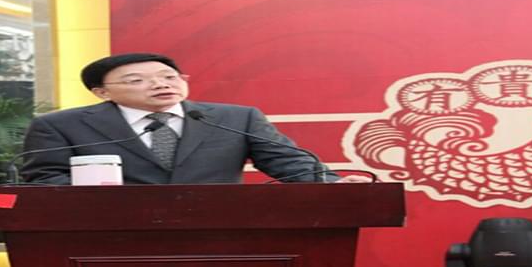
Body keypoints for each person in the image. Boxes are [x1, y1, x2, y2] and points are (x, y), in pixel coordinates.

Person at [21, 52, 370, 184]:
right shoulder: (61, 126)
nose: (160, 84)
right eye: (137, 80)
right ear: (102, 92)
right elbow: (45, 179)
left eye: (169, 77)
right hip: (110, 234)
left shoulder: (236, 118)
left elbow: (289, 163)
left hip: (219, 232)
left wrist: (333, 184)